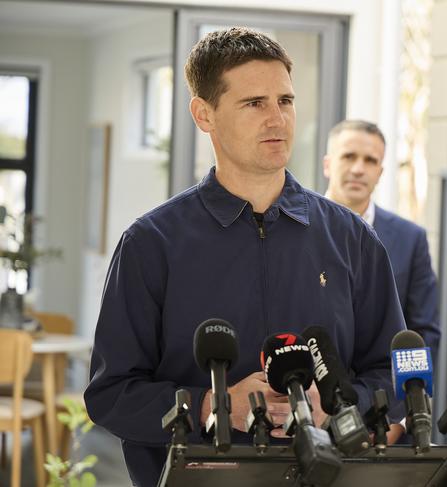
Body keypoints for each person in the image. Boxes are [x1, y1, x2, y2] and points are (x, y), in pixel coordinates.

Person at [84, 28, 406, 487]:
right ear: (204, 114)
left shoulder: (353, 239)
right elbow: (111, 394)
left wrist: (337, 402)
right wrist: (210, 405)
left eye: (286, 101)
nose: (277, 119)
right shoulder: (151, 243)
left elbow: (391, 373)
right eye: (254, 103)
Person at [323, 120, 440, 358]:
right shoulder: (297, 226)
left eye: (370, 160)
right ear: (328, 165)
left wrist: (405, 391)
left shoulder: (411, 239)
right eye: (348, 156)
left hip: (382, 391)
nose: (358, 169)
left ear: (380, 172)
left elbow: (423, 332)